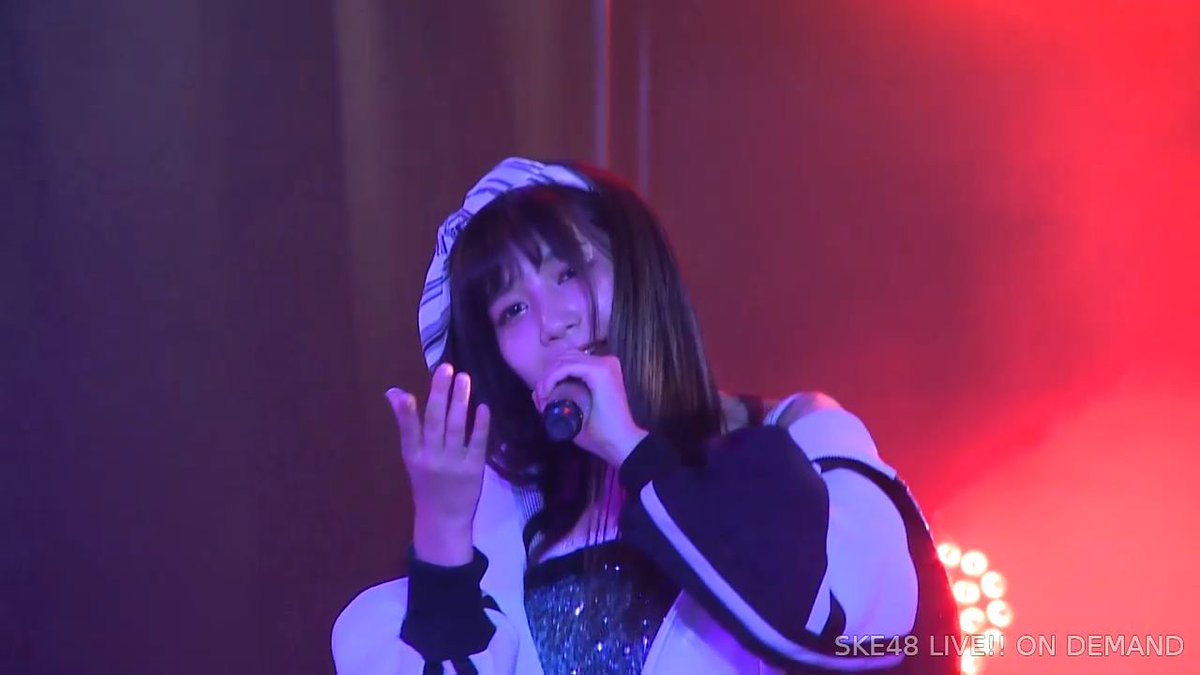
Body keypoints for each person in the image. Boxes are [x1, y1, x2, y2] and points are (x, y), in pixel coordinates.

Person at [331, 157, 959, 674]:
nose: (553, 322)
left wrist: (634, 451)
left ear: (634, 268)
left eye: (568, 273)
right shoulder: (508, 515)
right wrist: (443, 527)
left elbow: (861, 627)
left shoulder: (799, 434)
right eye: (512, 310)